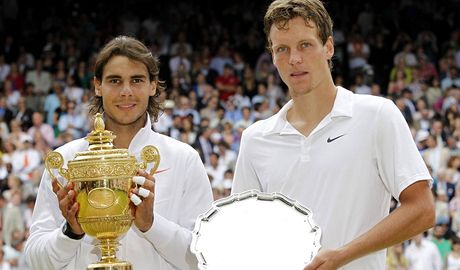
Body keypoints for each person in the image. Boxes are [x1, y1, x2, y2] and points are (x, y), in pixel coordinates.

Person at [231, 0, 435, 269]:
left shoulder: (377, 115)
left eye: (305, 44)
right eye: (282, 49)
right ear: (272, 56)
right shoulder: (255, 138)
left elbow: (422, 210)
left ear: (328, 47)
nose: (294, 59)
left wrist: (342, 256)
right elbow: (241, 232)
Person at [24, 36, 213, 269]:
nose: (126, 91)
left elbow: (206, 256)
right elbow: (33, 261)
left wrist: (151, 225)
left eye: (136, 80)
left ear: (152, 86)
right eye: (115, 80)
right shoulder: (67, 161)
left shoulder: (183, 159)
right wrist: (70, 232)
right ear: (98, 86)